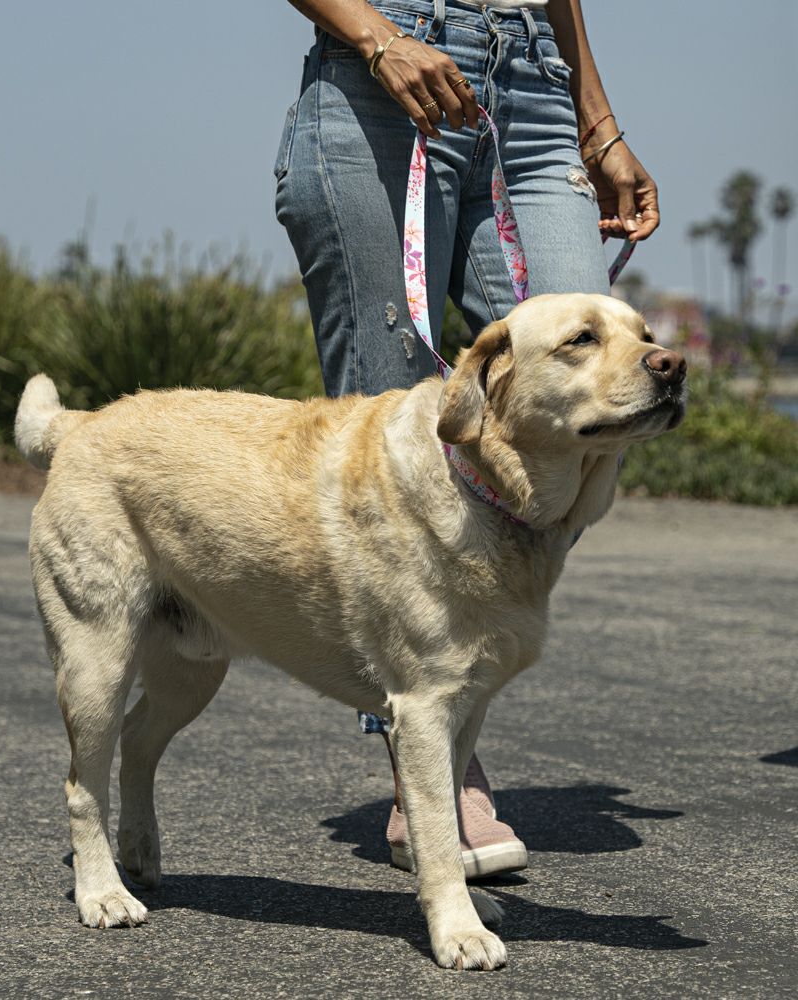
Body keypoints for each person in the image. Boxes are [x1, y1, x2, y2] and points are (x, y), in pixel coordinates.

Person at [274, 0, 659, 877]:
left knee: (595, 395)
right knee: (381, 438)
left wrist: (597, 126)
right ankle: (432, 768)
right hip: (383, 66)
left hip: (531, 84)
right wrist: (375, 37)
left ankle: (462, 685)